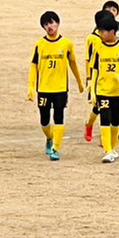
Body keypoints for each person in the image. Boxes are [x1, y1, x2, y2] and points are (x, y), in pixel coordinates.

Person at [28, 10, 83, 161]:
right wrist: (31, 87)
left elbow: (72, 63)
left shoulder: (66, 44)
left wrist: (79, 81)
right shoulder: (40, 45)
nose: (49, 27)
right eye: (46, 24)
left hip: (60, 88)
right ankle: (50, 138)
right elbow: (34, 65)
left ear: (58, 23)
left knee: (59, 117)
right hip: (44, 88)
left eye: (52, 23)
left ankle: (55, 148)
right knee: (44, 120)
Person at [89, 10, 119, 164]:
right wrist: (93, 91)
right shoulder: (99, 49)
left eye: (103, 31)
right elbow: (94, 70)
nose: (100, 34)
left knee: (116, 121)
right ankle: (107, 150)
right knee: (105, 119)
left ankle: (113, 148)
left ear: (112, 32)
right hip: (103, 90)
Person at [85, 1, 119, 144]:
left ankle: (114, 133)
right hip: (101, 80)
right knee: (99, 107)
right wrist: (89, 79)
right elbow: (90, 60)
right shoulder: (94, 39)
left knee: (114, 110)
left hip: (117, 82)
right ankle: (91, 125)